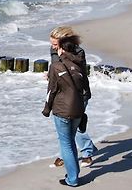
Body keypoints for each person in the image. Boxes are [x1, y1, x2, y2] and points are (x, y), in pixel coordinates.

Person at [42, 36, 91, 187]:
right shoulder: (79, 63)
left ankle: (73, 178)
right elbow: (86, 87)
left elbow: (51, 91)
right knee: (70, 140)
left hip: (63, 109)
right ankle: (75, 171)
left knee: (66, 143)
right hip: (78, 107)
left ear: (62, 48)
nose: (55, 49)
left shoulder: (56, 66)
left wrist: (46, 109)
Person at [49, 26, 98, 167]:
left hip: (79, 93)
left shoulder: (78, 52)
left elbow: (77, 72)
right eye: (51, 44)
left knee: (72, 126)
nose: (52, 47)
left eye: (55, 44)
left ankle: (87, 152)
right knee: (64, 127)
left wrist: (64, 55)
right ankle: (68, 154)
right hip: (62, 92)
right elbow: (56, 67)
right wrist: (50, 74)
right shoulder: (53, 50)